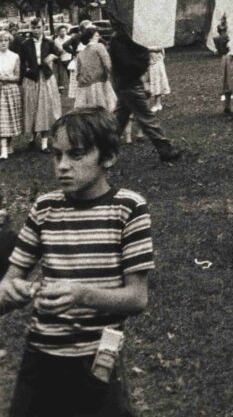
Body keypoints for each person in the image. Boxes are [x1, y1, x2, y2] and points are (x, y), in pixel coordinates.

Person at [0, 108, 153, 416]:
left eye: (76, 155)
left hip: (97, 361)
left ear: (108, 157)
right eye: (57, 155)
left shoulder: (128, 209)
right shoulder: (45, 208)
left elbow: (137, 298)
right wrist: (11, 293)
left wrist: (82, 294)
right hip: (41, 359)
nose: (63, 167)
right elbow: (6, 285)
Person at [108, 25, 181, 162]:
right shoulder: (121, 40)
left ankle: (104, 148)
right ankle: (166, 150)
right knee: (146, 117)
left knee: (120, 119)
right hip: (129, 83)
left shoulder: (122, 39)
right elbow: (130, 64)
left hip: (127, 83)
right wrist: (142, 61)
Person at [19, 19, 61, 153]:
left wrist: (53, 57)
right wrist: (25, 71)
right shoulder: (25, 44)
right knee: (31, 107)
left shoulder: (49, 42)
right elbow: (20, 61)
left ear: (43, 28)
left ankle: (44, 143)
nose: (36, 30)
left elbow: (60, 55)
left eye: (38, 27)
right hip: (31, 78)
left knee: (45, 108)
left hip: (46, 77)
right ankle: (32, 136)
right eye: (33, 27)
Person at [74, 27, 116, 113]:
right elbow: (108, 64)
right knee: (106, 108)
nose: (99, 37)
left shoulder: (81, 53)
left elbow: (78, 72)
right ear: (91, 37)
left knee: (87, 111)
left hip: (84, 85)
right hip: (99, 83)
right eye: (97, 35)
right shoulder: (99, 47)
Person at [0, 31, 22, 161]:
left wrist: (8, 78)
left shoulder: (15, 56)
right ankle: (3, 149)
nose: (2, 43)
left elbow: (18, 76)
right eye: (0, 41)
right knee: (2, 118)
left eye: (5, 41)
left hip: (11, 89)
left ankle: (8, 145)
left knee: (10, 118)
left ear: (9, 42)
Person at [213, 24, 233, 118]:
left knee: (227, 83)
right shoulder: (228, 37)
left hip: (223, 59)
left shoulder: (216, 39)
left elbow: (219, 52)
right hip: (230, 59)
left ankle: (227, 107)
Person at [145, 48, 170, 112]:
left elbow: (159, 47)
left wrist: (148, 48)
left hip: (156, 61)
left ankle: (157, 104)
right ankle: (145, 104)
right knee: (145, 82)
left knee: (156, 81)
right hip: (146, 60)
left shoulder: (157, 39)